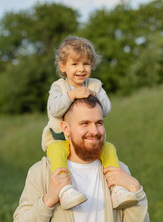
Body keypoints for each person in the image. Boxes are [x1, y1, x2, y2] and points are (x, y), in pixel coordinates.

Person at [13, 95, 149, 222]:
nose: (95, 131)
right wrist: (48, 200)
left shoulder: (119, 171)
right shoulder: (41, 172)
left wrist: (136, 190)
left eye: (99, 123)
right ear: (66, 128)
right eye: (84, 123)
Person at [41, 35, 138, 210]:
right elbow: (54, 109)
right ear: (63, 67)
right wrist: (72, 95)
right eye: (75, 64)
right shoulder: (59, 87)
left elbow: (106, 109)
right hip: (61, 140)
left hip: (89, 141)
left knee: (109, 148)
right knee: (55, 151)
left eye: (86, 64)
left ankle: (117, 189)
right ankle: (65, 190)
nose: (81, 69)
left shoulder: (95, 85)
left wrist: (94, 94)